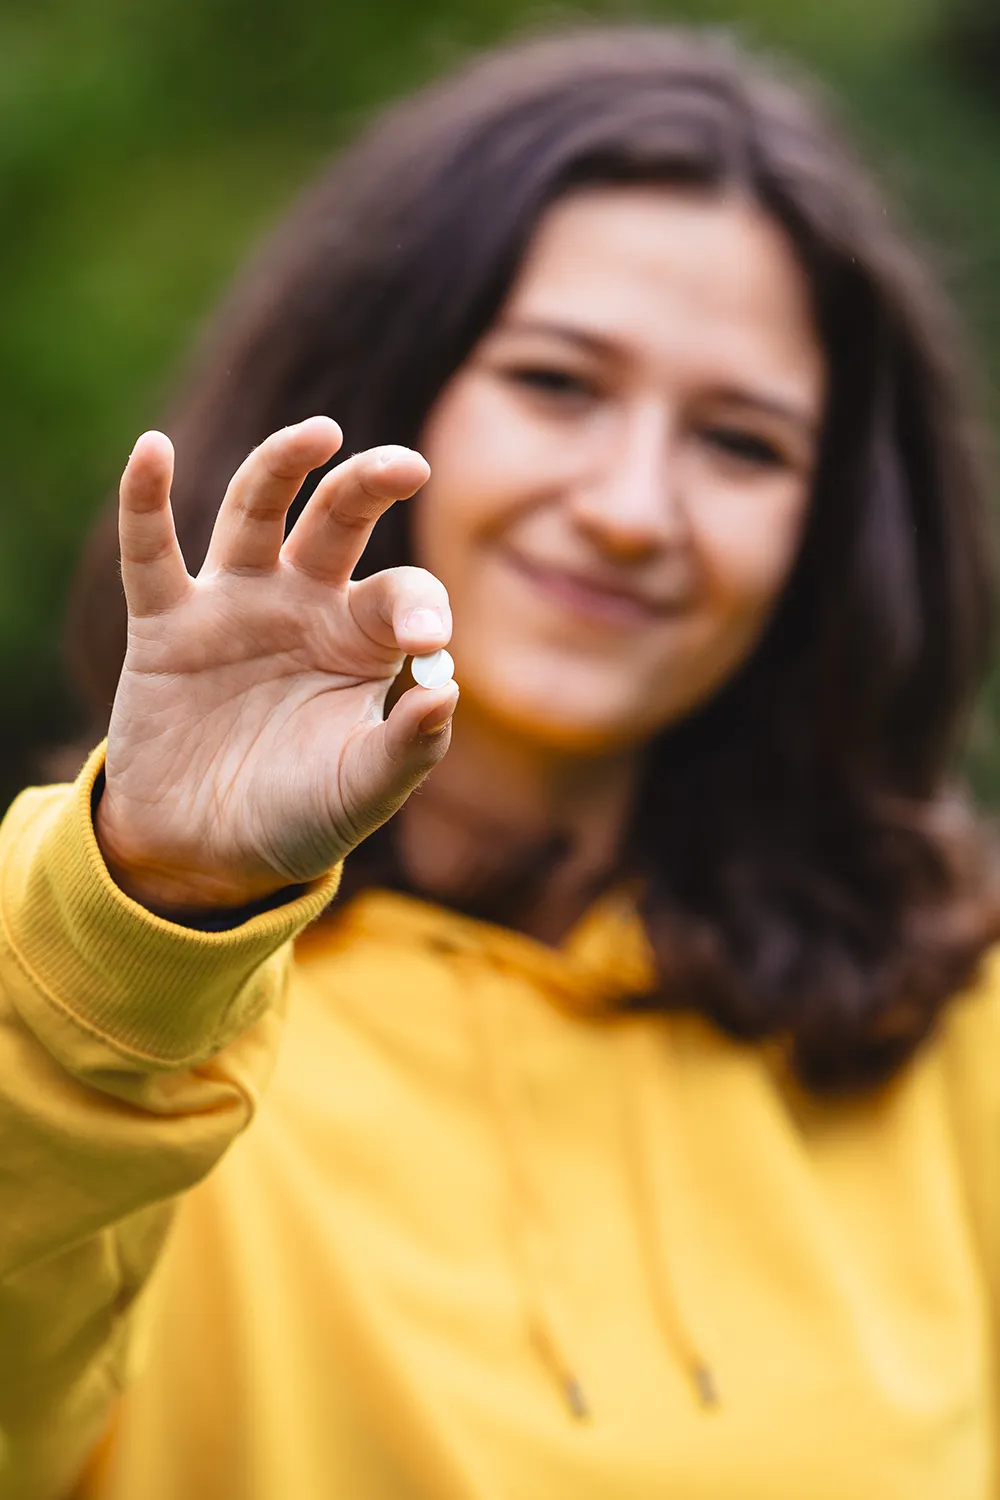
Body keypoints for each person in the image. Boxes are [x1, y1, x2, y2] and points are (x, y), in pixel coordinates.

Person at [3, 22, 1000, 1500]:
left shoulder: (944, 1010)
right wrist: (158, 907)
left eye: (741, 444)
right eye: (555, 384)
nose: (632, 509)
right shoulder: (108, 1006)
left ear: (832, 538)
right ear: (387, 395)